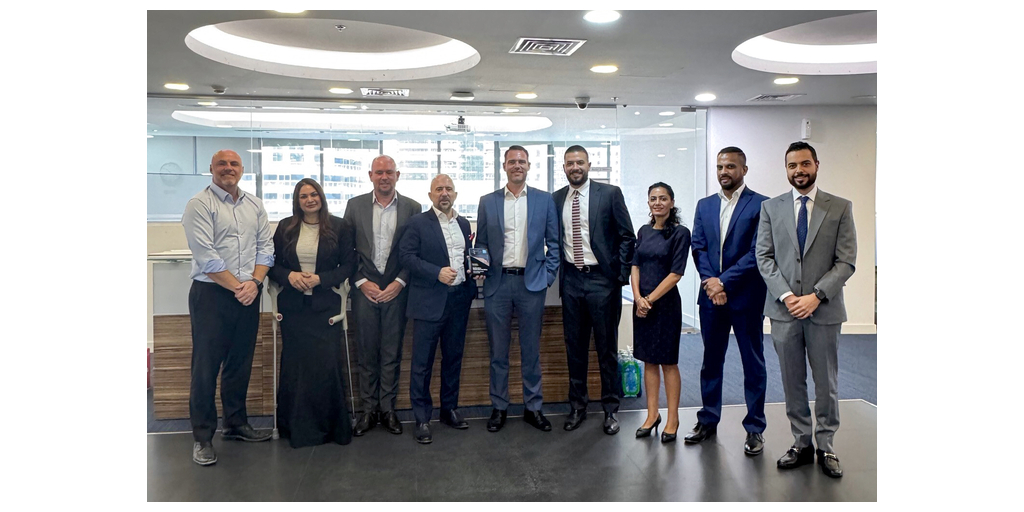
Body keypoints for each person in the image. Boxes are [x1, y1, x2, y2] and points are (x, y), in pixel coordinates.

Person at [755, 141, 857, 478]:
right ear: (786, 169)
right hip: (784, 311)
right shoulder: (771, 208)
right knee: (792, 380)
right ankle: (801, 442)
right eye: (792, 165)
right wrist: (787, 296)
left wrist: (816, 295)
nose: (798, 170)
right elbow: (764, 257)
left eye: (804, 164)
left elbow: (846, 261)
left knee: (826, 382)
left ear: (816, 165)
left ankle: (826, 445)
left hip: (823, 311)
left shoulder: (840, 207)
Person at [181, 149, 274, 466]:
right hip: (212, 295)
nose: (228, 168)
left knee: (240, 363)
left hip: (248, 292)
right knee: (205, 368)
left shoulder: (255, 205)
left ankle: (235, 424)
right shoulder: (199, 204)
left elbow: (266, 249)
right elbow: (206, 257)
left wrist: (255, 283)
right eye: (222, 163)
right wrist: (240, 287)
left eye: (234, 164)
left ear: (242, 170)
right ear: (211, 168)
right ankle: (203, 438)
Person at [686, 147, 770, 455]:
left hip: (746, 297)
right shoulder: (705, 205)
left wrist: (723, 281)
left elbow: (757, 252)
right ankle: (708, 420)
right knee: (711, 361)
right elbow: (698, 247)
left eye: (731, 166)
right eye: (720, 166)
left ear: (744, 170)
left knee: (752, 363)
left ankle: (755, 428)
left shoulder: (761, 205)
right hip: (711, 298)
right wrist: (712, 282)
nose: (724, 171)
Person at [475, 145, 560, 433]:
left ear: (529, 165)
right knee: (498, 352)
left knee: (530, 350)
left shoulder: (544, 200)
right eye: (512, 161)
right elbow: (481, 243)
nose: (517, 166)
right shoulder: (488, 202)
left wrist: (547, 276)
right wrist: (480, 268)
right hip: (497, 284)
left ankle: (533, 407)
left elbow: (554, 243)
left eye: (521, 161)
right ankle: (499, 407)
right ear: (504, 166)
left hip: (531, 284)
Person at [268, 178, 357, 448]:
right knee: (296, 369)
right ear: (297, 201)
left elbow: (349, 265)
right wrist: (290, 275)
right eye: (304, 196)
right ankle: (296, 428)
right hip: (294, 309)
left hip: (325, 308)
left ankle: (330, 429)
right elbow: (271, 265)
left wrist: (321, 279)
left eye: (314, 194)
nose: (309, 200)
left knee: (326, 366)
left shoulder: (340, 227)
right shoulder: (285, 227)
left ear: (321, 197)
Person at [552, 145, 635, 435]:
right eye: (569, 163)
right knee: (574, 348)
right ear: (564, 167)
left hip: (602, 281)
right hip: (571, 281)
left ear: (589, 165)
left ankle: (611, 408)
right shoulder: (556, 199)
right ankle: (578, 407)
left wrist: (619, 277)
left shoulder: (609, 194)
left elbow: (627, 236)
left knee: (606, 348)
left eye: (579, 162)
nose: (575, 167)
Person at [343, 155, 421, 437]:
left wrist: (400, 282)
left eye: (389, 172)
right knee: (366, 352)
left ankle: (388, 409)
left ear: (397, 175)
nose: (384, 177)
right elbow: (346, 251)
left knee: (391, 352)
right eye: (379, 172)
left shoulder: (413, 207)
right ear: (370, 175)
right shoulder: (355, 206)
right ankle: (368, 410)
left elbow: (415, 251)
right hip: (364, 289)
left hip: (396, 290)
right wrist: (361, 282)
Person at [398, 174, 477, 444]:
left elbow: (466, 256)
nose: (444, 193)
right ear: (430, 195)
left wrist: (475, 269)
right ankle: (422, 418)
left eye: (449, 189)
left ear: (455, 194)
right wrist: (436, 272)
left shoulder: (463, 223)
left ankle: (449, 409)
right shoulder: (418, 223)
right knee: (422, 363)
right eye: (439, 189)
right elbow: (406, 257)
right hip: (429, 302)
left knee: (453, 358)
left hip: (459, 300)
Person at [631, 182, 691, 443]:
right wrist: (637, 298)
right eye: (653, 198)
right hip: (642, 305)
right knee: (648, 360)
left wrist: (649, 300)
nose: (658, 202)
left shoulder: (680, 233)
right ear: (648, 203)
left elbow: (676, 273)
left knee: (668, 362)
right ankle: (652, 414)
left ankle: (672, 419)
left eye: (663, 198)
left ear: (672, 202)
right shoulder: (643, 231)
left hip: (665, 306)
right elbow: (635, 266)